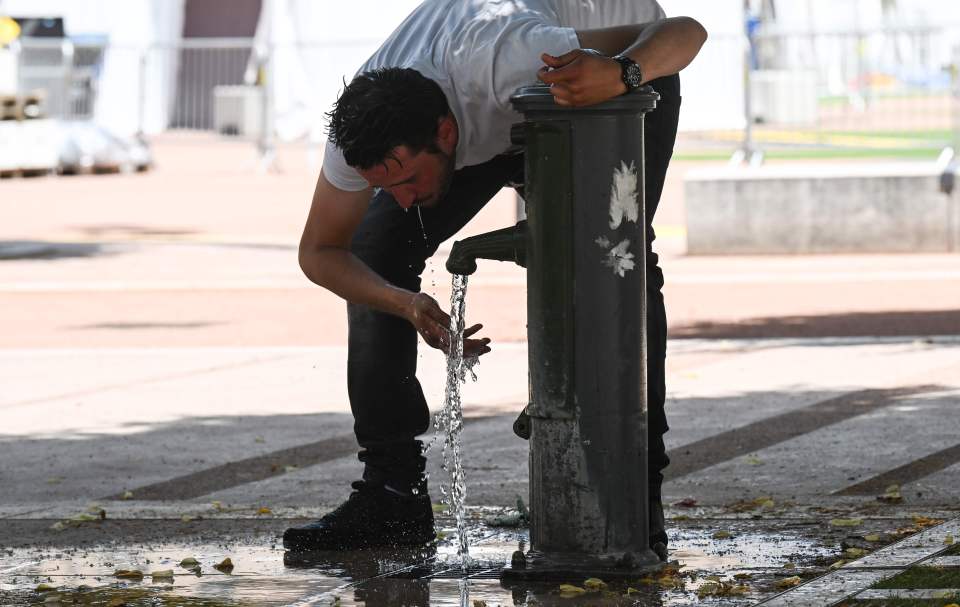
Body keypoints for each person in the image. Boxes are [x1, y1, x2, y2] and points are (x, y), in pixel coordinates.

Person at [284, 0, 707, 560]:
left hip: (611, 75)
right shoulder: (361, 133)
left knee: (613, 258)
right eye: (388, 187)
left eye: (408, 179)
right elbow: (320, 252)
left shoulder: (512, 55)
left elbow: (682, 33)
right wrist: (402, 302)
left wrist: (623, 73)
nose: (402, 198)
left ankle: (634, 489)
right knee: (375, 250)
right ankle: (391, 495)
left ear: (445, 131)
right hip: (492, 112)